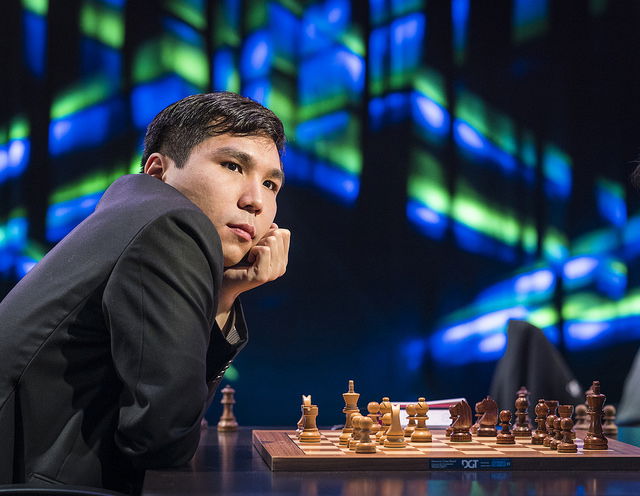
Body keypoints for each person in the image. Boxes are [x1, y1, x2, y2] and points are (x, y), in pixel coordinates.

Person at [0, 92, 290, 494]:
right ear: (158, 171)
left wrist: (223, 298)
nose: (256, 201)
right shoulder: (173, 225)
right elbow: (162, 441)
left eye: (271, 184)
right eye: (232, 165)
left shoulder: (136, 216)